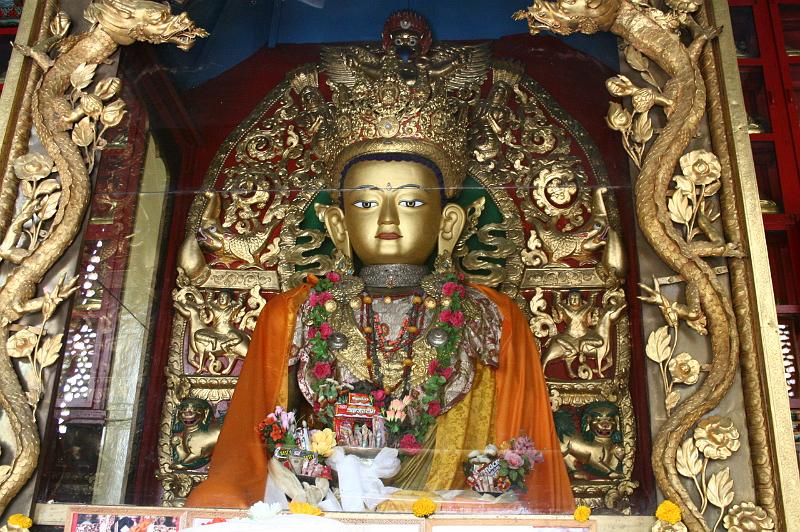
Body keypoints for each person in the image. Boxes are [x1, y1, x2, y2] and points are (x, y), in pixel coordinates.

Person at [186, 10, 573, 513]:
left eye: (411, 202)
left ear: (449, 225)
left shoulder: (492, 317)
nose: (387, 219)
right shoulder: (291, 316)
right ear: (338, 226)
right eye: (366, 203)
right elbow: (244, 467)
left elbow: (517, 466)